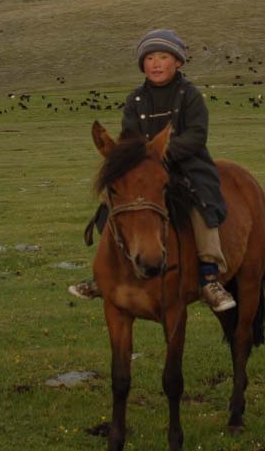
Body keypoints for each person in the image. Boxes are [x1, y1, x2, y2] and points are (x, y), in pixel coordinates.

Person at [69, 29, 236, 313]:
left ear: (178, 62)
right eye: (149, 58)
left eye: (163, 57)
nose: (156, 64)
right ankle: (105, 276)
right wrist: (136, 159)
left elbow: (197, 135)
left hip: (188, 165)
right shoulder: (135, 100)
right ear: (142, 65)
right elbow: (129, 137)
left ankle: (209, 278)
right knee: (112, 204)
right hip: (145, 168)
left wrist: (163, 153)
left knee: (202, 205)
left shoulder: (191, 95)